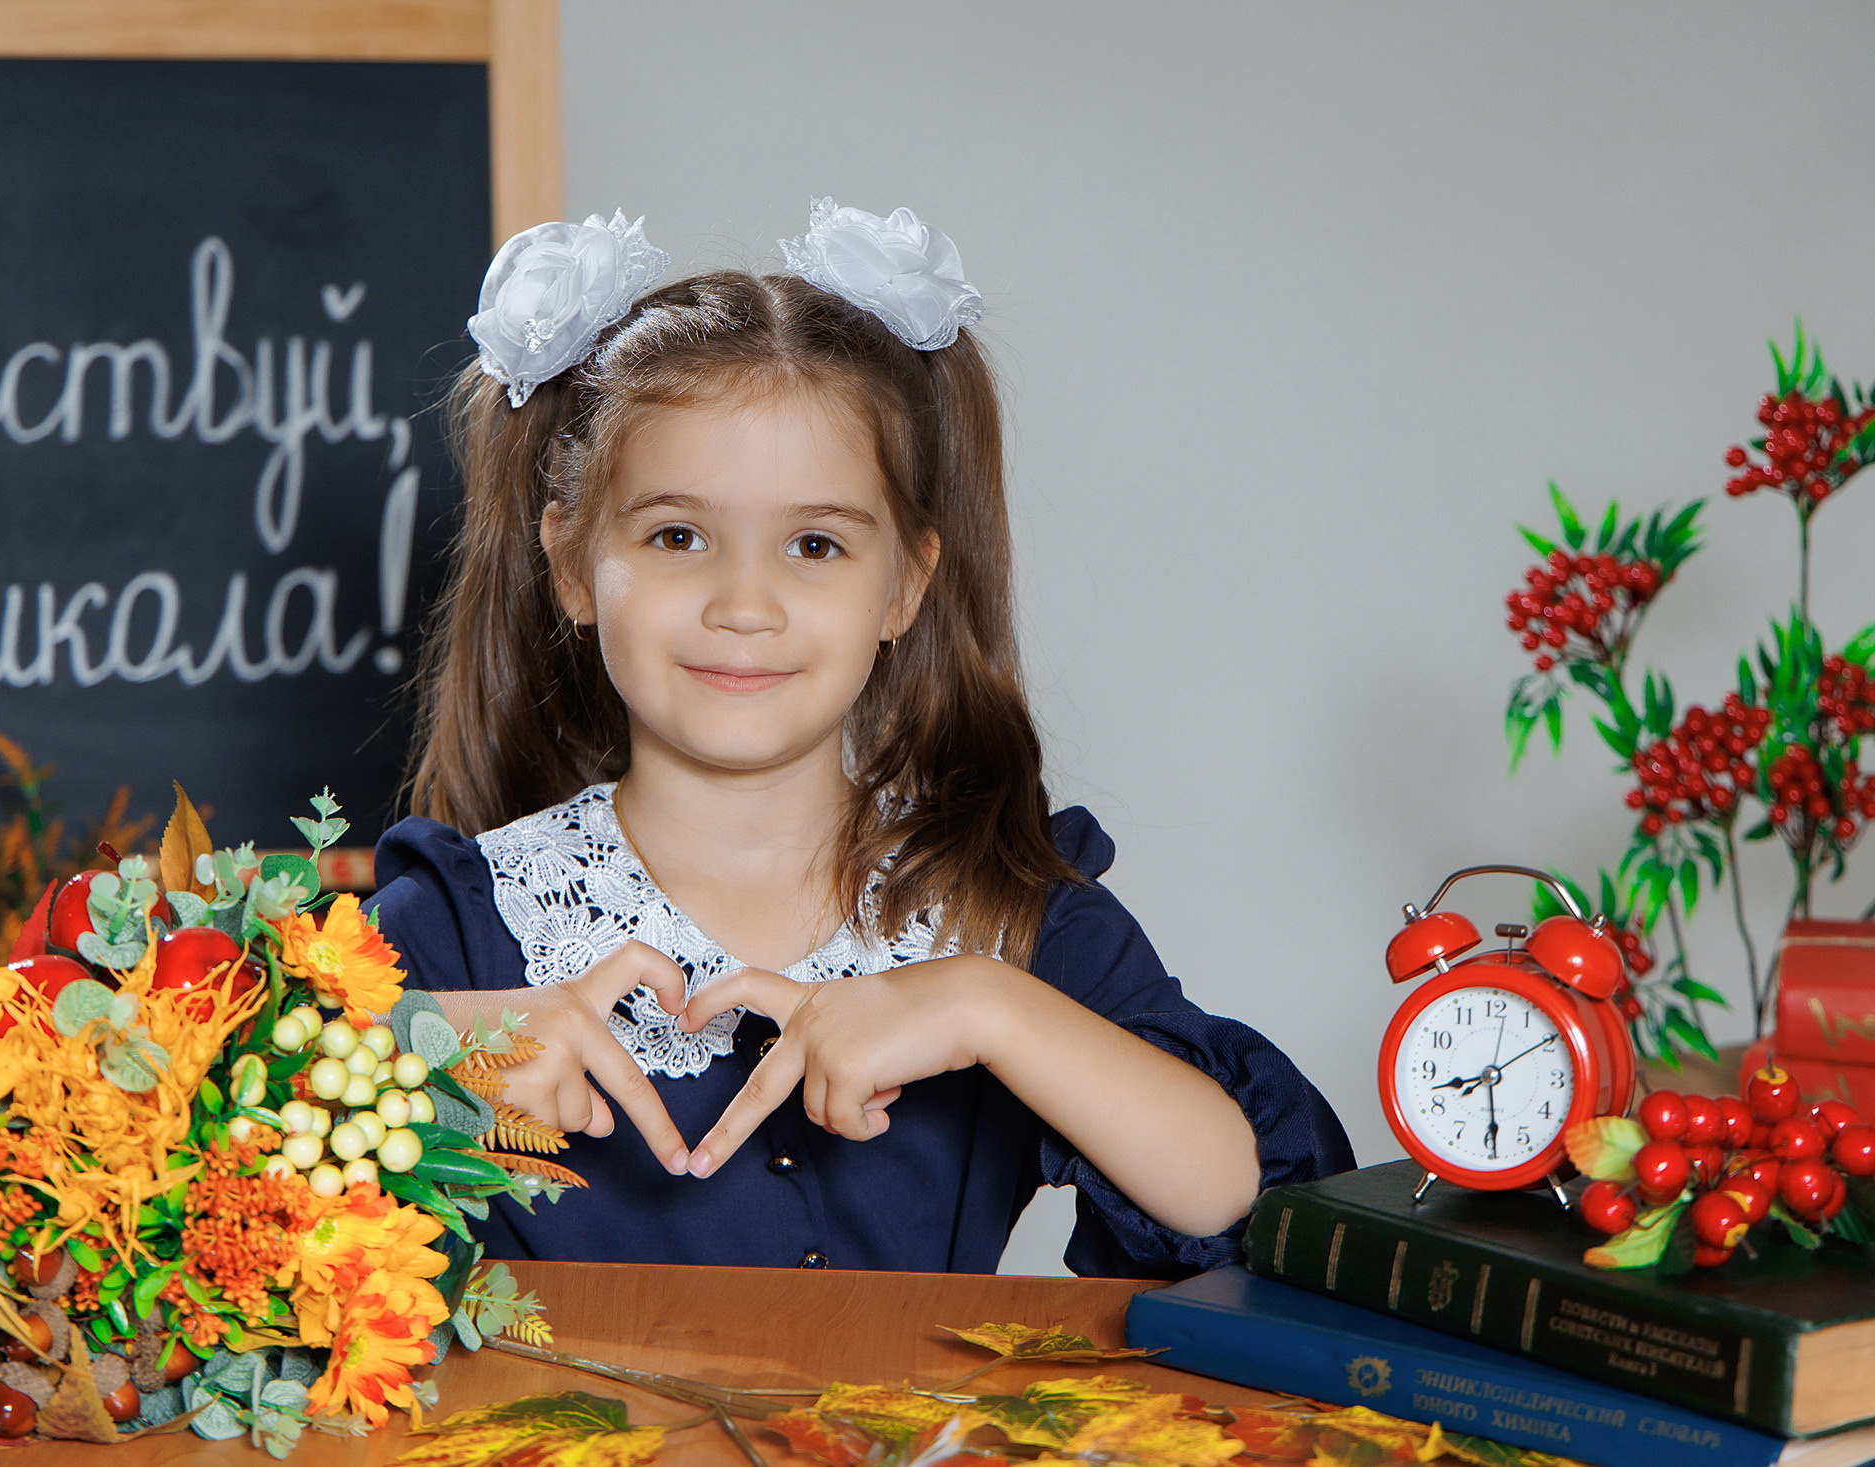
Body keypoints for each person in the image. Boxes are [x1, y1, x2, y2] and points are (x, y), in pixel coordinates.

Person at [367, 201, 1354, 1278]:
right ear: (569, 564)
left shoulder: (1009, 913)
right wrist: (412, 1058)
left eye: (815, 544)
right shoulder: (453, 924)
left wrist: (986, 1006)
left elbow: (1242, 1194)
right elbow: (201, 1187)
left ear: (905, 586)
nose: (745, 602)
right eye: (677, 535)